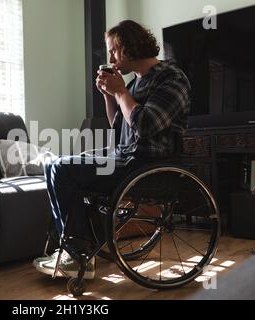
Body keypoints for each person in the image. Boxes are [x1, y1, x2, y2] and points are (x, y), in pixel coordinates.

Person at [33, 20, 191, 279]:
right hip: (126, 157)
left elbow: (146, 125)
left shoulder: (172, 78)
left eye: (114, 50)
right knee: (55, 163)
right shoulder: (134, 84)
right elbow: (119, 127)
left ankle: (77, 253)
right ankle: (76, 247)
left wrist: (120, 93)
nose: (110, 58)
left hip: (149, 165)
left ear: (130, 48)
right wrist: (110, 95)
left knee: (63, 168)